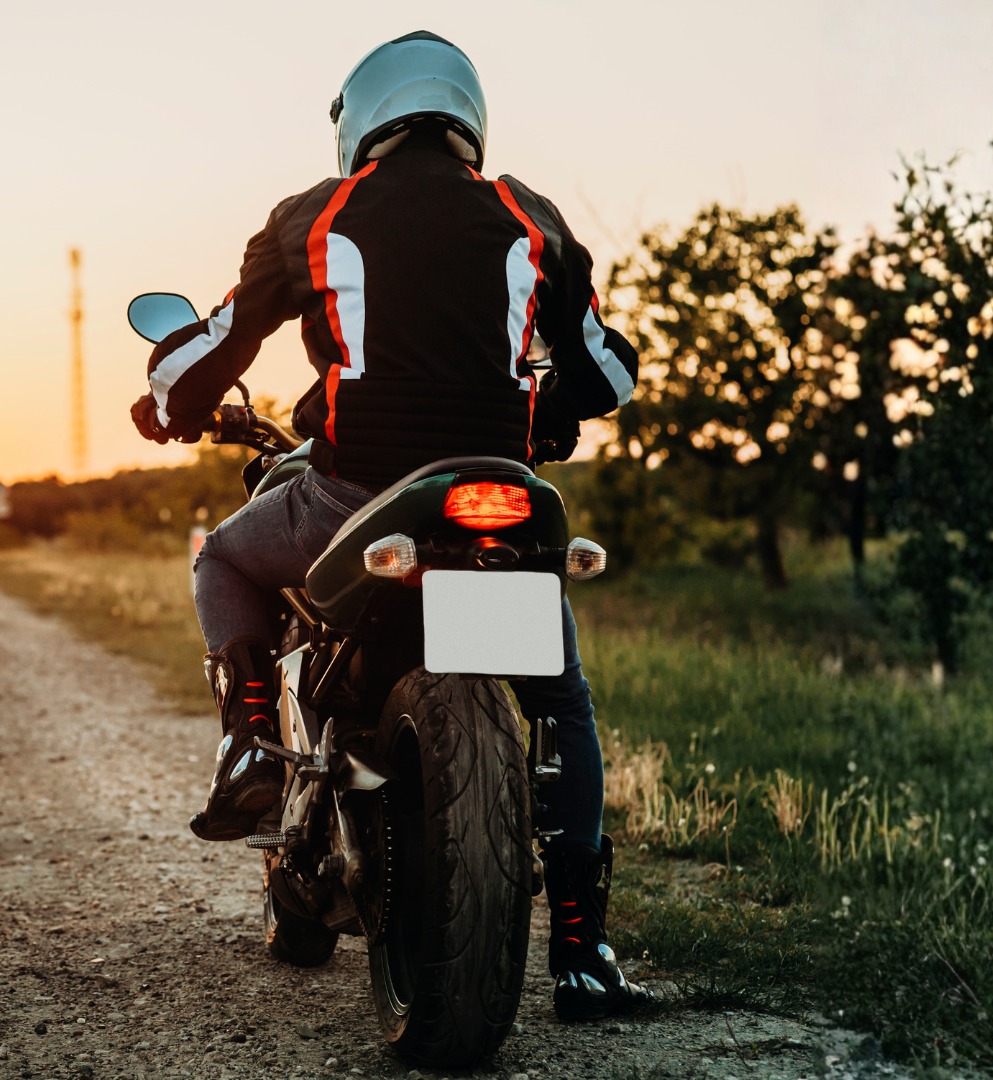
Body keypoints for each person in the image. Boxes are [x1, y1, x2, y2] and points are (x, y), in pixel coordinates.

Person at [128, 31, 650, 1022]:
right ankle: (583, 954)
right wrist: (566, 396)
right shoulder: (527, 216)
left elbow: (213, 343)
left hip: (352, 496)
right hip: (503, 499)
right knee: (565, 701)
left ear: (359, 120)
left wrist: (168, 404)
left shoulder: (313, 217)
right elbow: (603, 372)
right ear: (467, 117)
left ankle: (247, 746)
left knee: (226, 557)